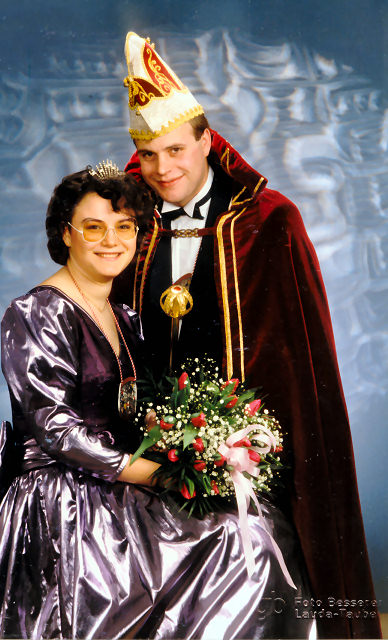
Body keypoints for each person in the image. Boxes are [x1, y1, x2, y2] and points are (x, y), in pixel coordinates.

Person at [0, 163, 313, 639]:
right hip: (65, 494)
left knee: (255, 526)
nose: (111, 241)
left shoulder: (123, 315)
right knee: (231, 538)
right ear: (66, 234)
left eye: (123, 227)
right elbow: (57, 431)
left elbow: (134, 408)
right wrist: (158, 475)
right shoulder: (38, 311)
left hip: (121, 482)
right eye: (93, 227)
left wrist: (196, 447)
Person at [115, 32, 382, 639]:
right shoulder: (131, 225)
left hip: (250, 453)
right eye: (148, 154)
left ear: (207, 141)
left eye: (176, 149)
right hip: (148, 447)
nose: (163, 169)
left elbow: (299, 361)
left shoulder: (269, 220)